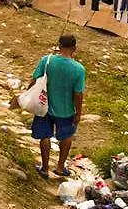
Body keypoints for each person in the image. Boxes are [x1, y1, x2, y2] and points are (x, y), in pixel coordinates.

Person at [28, 34, 86, 179]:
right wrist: (78, 113)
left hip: (45, 107)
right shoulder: (79, 69)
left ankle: (45, 168)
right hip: (66, 111)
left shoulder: (46, 61)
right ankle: (60, 167)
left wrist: (27, 97)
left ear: (59, 46)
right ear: (74, 48)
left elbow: (34, 80)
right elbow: (78, 94)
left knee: (45, 136)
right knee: (67, 136)